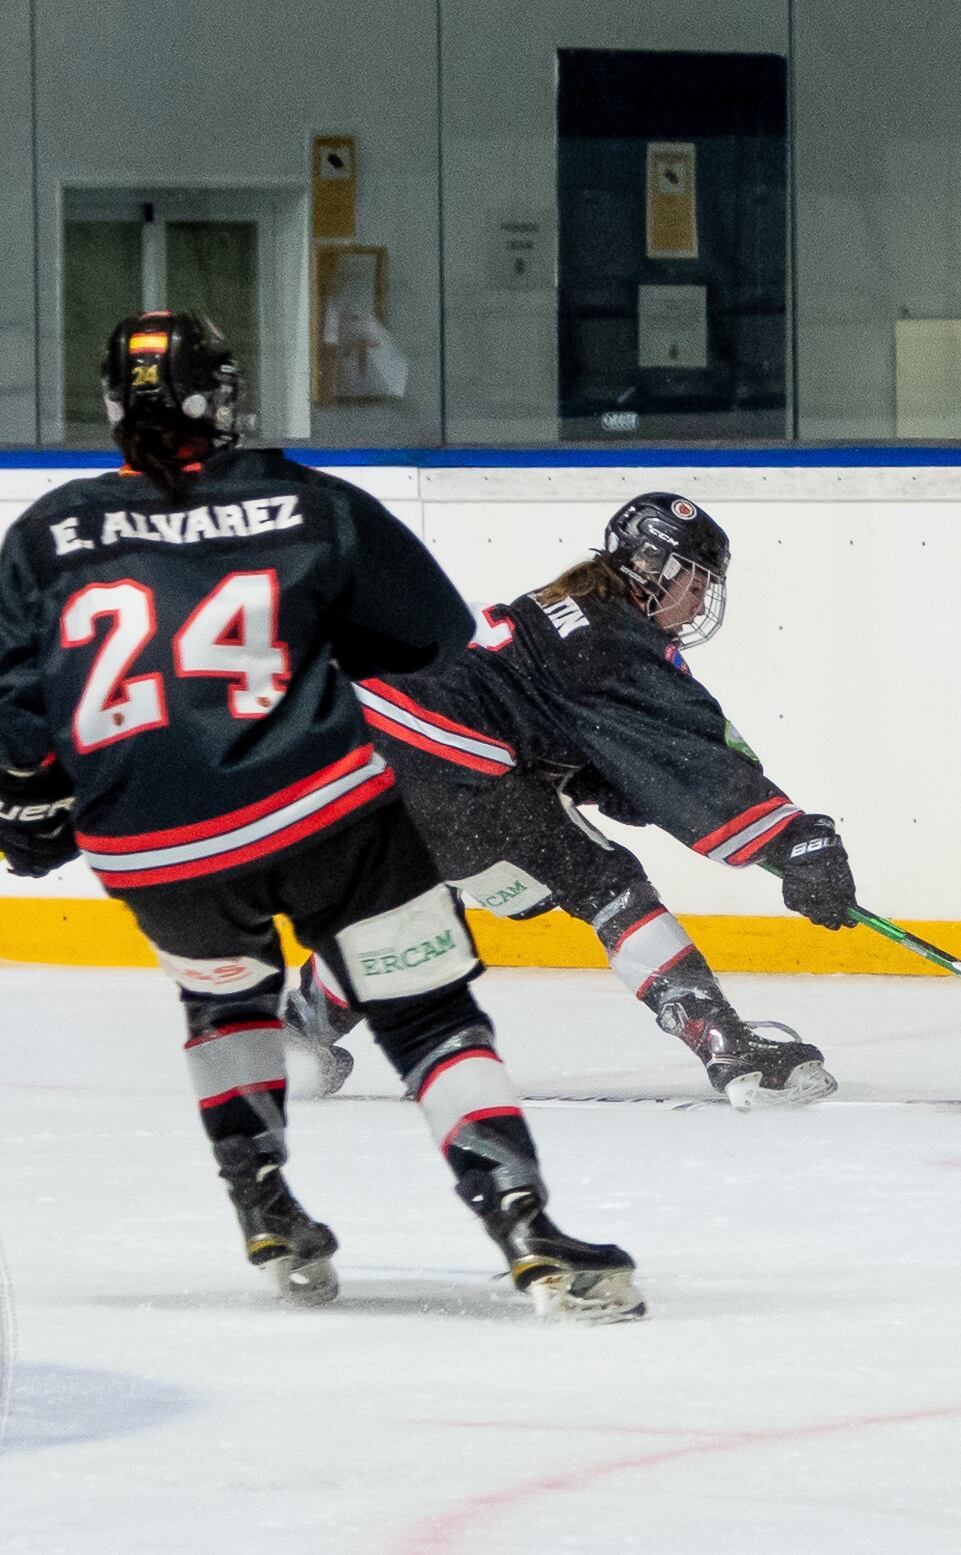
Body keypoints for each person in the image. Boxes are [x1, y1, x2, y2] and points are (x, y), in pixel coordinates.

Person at [0, 311, 643, 1322]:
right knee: (427, 1010)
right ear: (228, 398)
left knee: (224, 999)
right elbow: (434, 634)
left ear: (116, 408)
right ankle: (520, 1218)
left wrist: (28, 800)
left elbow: (18, 708)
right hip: (317, 812)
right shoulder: (306, 502)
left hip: (148, 848)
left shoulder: (47, 531)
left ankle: (264, 1203)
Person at [277, 491, 858, 1109]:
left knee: (411, 903)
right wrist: (796, 839)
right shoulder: (614, 639)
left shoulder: (561, 608)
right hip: (448, 760)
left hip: (359, 758)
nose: (697, 603)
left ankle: (295, 1039)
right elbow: (690, 760)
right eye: (694, 582)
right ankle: (728, 1047)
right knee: (607, 886)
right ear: (657, 569)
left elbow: (601, 757)